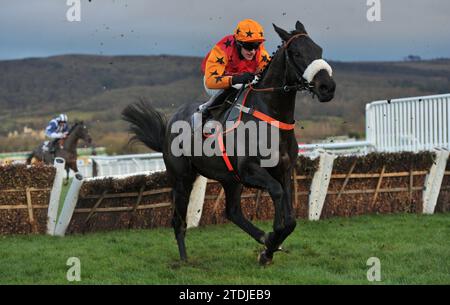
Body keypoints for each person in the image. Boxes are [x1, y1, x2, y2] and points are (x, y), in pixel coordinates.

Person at [199, 19, 271, 117]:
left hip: (242, 82)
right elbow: (210, 81)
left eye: (257, 45)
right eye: (249, 46)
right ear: (238, 43)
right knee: (231, 91)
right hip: (216, 82)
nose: (253, 51)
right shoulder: (222, 50)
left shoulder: (261, 54)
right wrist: (236, 79)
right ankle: (204, 112)